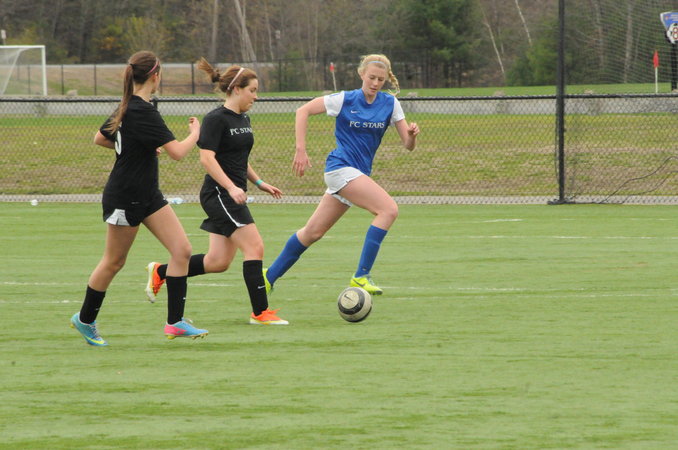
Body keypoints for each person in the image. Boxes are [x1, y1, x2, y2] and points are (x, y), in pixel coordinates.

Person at [70, 50, 208, 346]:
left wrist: (140, 145)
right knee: (114, 261)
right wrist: (196, 132)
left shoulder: (131, 106)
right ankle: (85, 319)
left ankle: (175, 323)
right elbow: (178, 153)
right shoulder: (141, 110)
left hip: (148, 195)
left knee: (182, 250)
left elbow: (102, 138)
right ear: (155, 76)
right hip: (125, 196)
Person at [145, 58, 288, 325]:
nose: (256, 97)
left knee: (218, 262)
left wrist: (259, 183)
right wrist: (231, 187)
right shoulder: (215, 119)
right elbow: (207, 158)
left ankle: (161, 272)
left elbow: (239, 158)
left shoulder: (243, 118)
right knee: (255, 246)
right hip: (219, 195)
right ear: (236, 89)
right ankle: (260, 313)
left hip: (231, 194)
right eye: (252, 90)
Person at [264, 54, 420, 296]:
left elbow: (408, 146)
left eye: (380, 80)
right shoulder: (345, 99)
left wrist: (412, 136)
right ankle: (361, 276)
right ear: (361, 74)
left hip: (355, 174)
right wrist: (300, 149)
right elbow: (302, 111)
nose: (375, 83)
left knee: (312, 232)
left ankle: (268, 277)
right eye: (371, 77)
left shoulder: (390, 104)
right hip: (340, 168)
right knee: (388, 210)